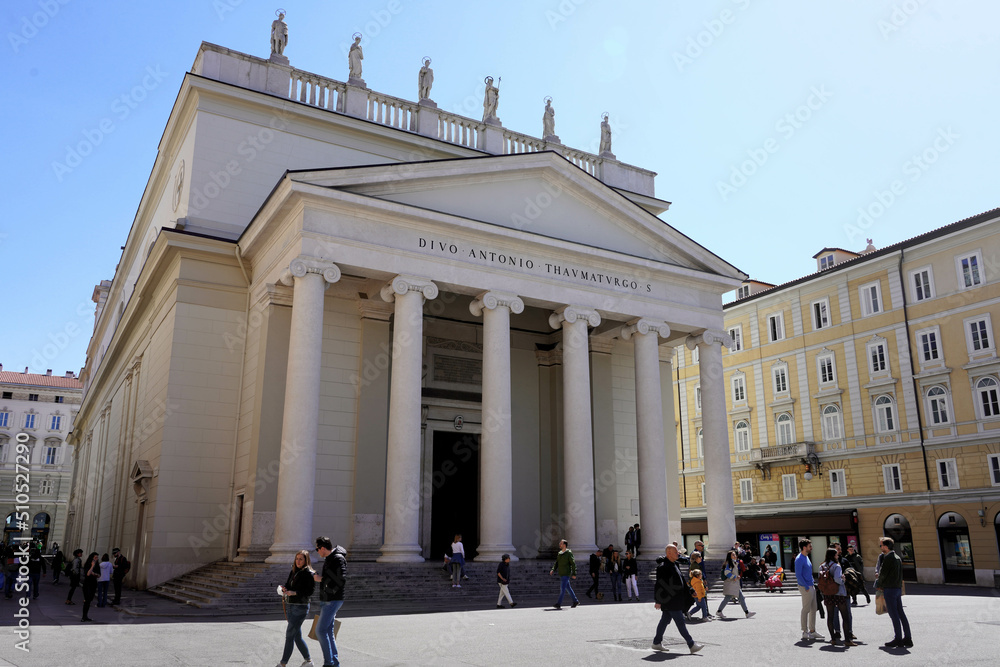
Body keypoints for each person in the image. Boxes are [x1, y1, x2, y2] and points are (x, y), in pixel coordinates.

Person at [651, 545, 704, 654]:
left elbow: (681, 580)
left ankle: (656, 643)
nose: (678, 554)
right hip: (670, 600)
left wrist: (690, 589)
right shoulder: (663, 567)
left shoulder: (674, 564)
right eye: (675, 552)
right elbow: (659, 584)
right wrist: (658, 600)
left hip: (676, 599)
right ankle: (691, 644)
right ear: (669, 553)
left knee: (664, 621)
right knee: (680, 622)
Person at [313, 536, 347, 667]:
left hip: (333, 599)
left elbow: (341, 580)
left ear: (322, 548)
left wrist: (321, 580)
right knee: (327, 631)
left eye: (317, 549)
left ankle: (329, 663)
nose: (317, 552)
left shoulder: (337, 558)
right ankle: (334, 663)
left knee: (320, 631)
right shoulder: (330, 558)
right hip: (328, 598)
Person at [278, 549, 315, 667]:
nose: (298, 561)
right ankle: (308, 661)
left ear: (306, 560)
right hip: (290, 605)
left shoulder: (309, 573)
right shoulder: (294, 571)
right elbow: (288, 584)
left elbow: (310, 591)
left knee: (289, 635)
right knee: (296, 636)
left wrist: (295, 593)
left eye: (301, 559)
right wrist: (285, 588)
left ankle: (283, 664)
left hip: (300, 607)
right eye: (297, 559)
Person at [876, 537, 912, 648]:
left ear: (886, 547)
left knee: (894, 614)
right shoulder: (897, 557)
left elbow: (882, 574)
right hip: (896, 588)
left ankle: (898, 639)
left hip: (889, 589)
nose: (881, 547)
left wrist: (878, 585)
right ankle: (907, 638)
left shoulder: (888, 558)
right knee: (901, 613)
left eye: (881, 546)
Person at [820, 548, 855, 646]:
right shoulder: (836, 566)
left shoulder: (822, 566)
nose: (838, 556)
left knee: (830, 616)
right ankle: (847, 640)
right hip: (838, 593)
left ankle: (833, 639)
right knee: (845, 616)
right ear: (833, 556)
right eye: (836, 555)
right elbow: (837, 579)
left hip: (827, 593)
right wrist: (843, 579)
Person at [795, 539, 823, 641]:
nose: (811, 548)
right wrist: (806, 587)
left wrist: (812, 585)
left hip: (811, 586)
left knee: (813, 609)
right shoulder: (799, 559)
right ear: (804, 547)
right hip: (805, 587)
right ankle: (804, 631)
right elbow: (798, 575)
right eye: (809, 546)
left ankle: (812, 630)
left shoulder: (806, 557)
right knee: (806, 609)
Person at [716, 551, 755, 619]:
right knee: (729, 598)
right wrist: (734, 577)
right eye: (733, 555)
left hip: (733, 584)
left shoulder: (733, 563)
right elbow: (727, 572)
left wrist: (736, 577)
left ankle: (747, 612)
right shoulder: (730, 563)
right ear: (729, 556)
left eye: (735, 554)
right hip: (731, 584)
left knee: (739, 598)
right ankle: (746, 613)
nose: (735, 556)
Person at [549, 539, 579, 609]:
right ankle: (575, 601)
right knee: (568, 588)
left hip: (566, 573)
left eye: (561, 543)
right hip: (561, 573)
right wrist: (553, 569)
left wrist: (574, 573)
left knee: (562, 589)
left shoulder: (569, 553)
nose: (560, 544)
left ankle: (558, 603)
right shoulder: (559, 553)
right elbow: (557, 563)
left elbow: (573, 563)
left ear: (564, 545)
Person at [81, 552, 100, 622]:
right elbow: (88, 574)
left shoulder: (97, 566)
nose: (96, 559)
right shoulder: (88, 564)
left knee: (90, 600)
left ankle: (86, 616)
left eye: (97, 557)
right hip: (87, 584)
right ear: (92, 558)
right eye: (95, 557)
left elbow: (99, 575)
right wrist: (92, 566)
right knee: (87, 600)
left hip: (93, 584)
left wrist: (94, 573)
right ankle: (84, 616)